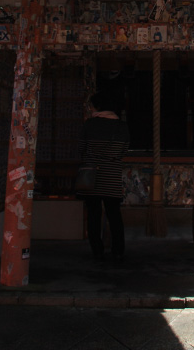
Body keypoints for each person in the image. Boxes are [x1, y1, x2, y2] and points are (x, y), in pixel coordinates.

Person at [78, 91, 130, 261]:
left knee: (93, 215)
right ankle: (118, 249)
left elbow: (81, 148)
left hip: (91, 175)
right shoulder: (122, 127)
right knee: (114, 214)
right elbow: (124, 151)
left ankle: (97, 249)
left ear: (97, 107)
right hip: (112, 174)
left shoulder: (90, 124)